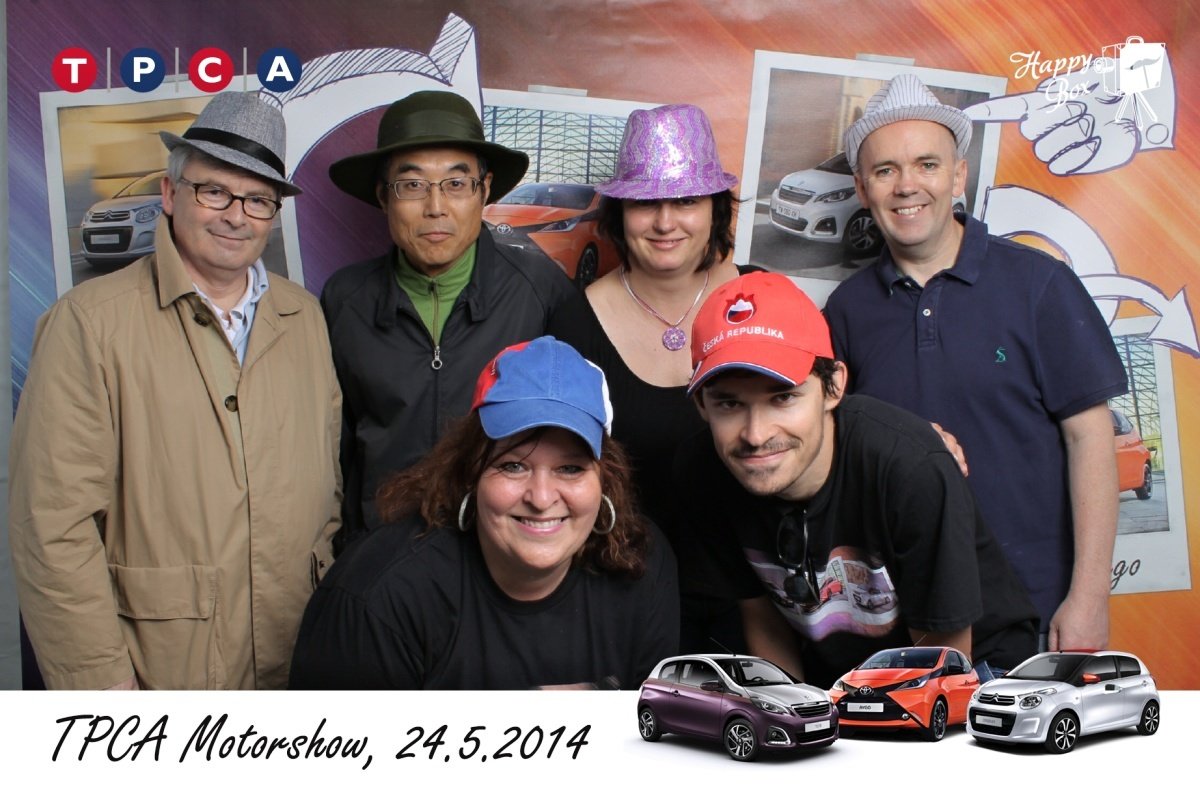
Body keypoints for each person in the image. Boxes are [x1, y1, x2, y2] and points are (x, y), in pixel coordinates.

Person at [8, 92, 342, 690]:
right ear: (169, 193)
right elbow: (52, 526)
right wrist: (101, 687)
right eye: (214, 191)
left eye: (258, 199)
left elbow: (327, 485)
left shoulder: (305, 318)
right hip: (162, 670)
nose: (236, 216)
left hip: (300, 655)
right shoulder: (89, 322)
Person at [823, 74, 1128, 651]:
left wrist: (1089, 597)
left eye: (927, 165)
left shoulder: (1039, 284)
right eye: (885, 170)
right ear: (862, 188)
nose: (907, 186)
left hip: (1036, 615)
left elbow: (1090, 439)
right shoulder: (845, 311)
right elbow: (833, 454)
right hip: (908, 627)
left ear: (958, 176)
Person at [677, 272, 1038, 688]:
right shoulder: (702, 470)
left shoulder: (908, 468)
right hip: (846, 676)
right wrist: (789, 712)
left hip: (973, 668)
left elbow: (942, 669)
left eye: (783, 397)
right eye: (729, 404)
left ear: (833, 387)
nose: (755, 435)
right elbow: (763, 619)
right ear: (701, 405)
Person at [289, 336, 678, 689]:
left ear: (605, 480)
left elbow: (655, 733)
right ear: (470, 472)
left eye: (571, 468)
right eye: (513, 465)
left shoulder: (642, 567)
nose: (541, 498)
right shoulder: (377, 598)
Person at [321, 90, 577, 535]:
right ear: (383, 196)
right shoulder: (345, 299)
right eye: (412, 185)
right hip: (379, 549)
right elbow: (332, 451)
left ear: (485, 190)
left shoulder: (540, 290)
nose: (435, 207)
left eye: (456, 184)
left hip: (498, 546)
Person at [548, 104, 749, 650]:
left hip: (753, 602)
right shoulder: (574, 324)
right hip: (619, 596)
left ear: (715, 208)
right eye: (645, 203)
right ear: (619, 212)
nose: (665, 222)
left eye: (685, 200)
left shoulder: (759, 300)